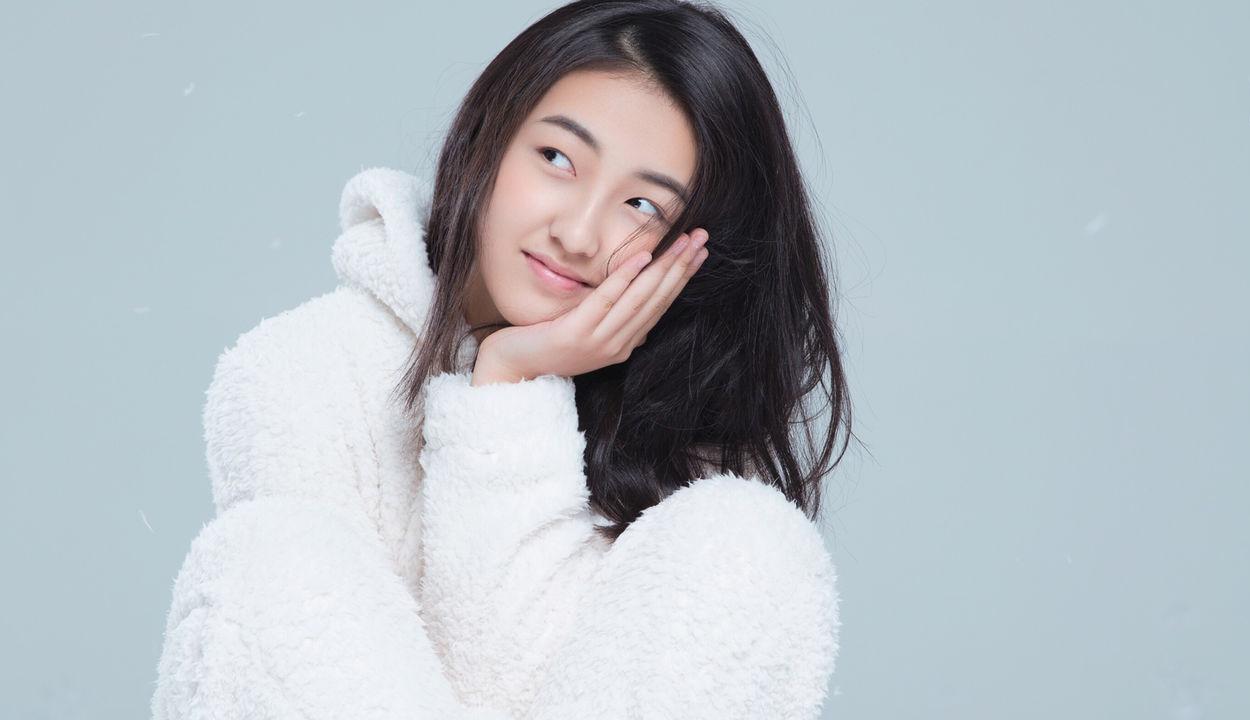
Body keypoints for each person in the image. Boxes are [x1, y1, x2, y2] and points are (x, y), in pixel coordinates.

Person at [150, 1, 858, 718]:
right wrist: (512, 382)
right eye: (557, 159)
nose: (578, 234)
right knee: (266, 560)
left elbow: (516, 690)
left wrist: (509, 381)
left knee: (749, 540)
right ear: (488, 137)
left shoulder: (679, 439)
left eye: (643, 205)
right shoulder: (303, 375)